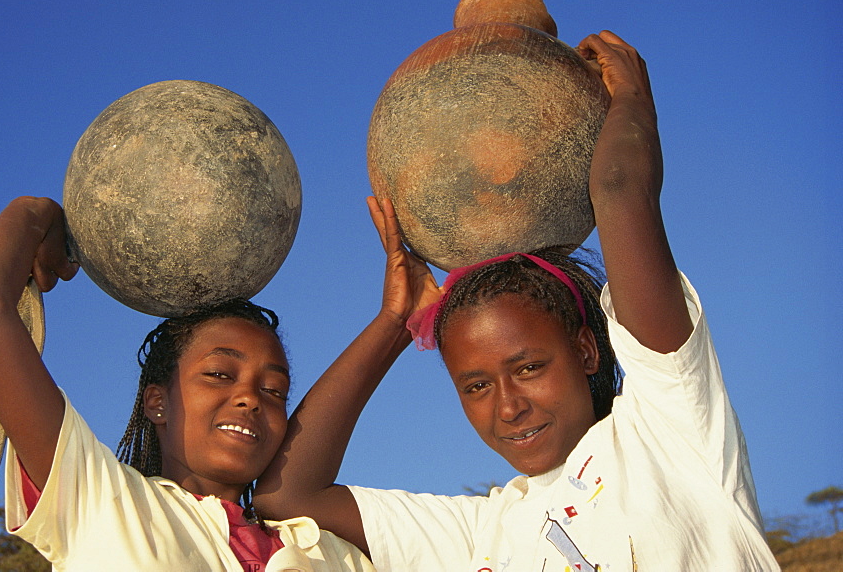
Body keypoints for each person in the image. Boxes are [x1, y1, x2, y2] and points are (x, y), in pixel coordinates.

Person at [254, 31, 780, 570]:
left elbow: (621, 190)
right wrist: (395, 323)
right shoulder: (481, 533)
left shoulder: (671, 432)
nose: (508, 407)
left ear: (586, 351)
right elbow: (287, 495)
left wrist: (631, 100)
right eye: (476, 385)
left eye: (528, 367)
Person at [0, 196, 374, 571]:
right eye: (219, 375)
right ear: (157, 402)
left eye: (274, 391)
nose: (249, 398)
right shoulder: (105, 500)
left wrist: (397, 319)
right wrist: (36, 212)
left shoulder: (332, 553)